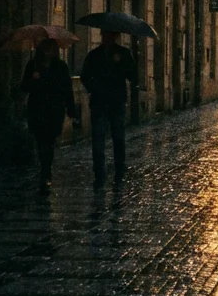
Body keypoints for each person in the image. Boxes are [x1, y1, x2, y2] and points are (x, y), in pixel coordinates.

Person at [20, 39, 77, 194]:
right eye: (46, 48)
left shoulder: (61, 66)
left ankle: (46, 170)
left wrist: (71, 110)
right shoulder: (33, 65)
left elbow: (67, 89)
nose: (48, 51)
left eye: (51, 48)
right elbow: (24, 86)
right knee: (40, 141)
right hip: (37, 109)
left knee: (49, 141)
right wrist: (33, 80)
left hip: (54, 110)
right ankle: (44, 170)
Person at [80, 30, 136, 187]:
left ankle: (119, 171)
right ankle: (99, 174)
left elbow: (132, 75)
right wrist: (94, 88)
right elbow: (85, 76)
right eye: (104, 35)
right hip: (99, 102)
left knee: (118, 138)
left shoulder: (124, 53)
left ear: (115, 36)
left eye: (110, 35)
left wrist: (121, 63)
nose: (106, 38)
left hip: (116, 101)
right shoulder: (94, 55)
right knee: (98, 140)